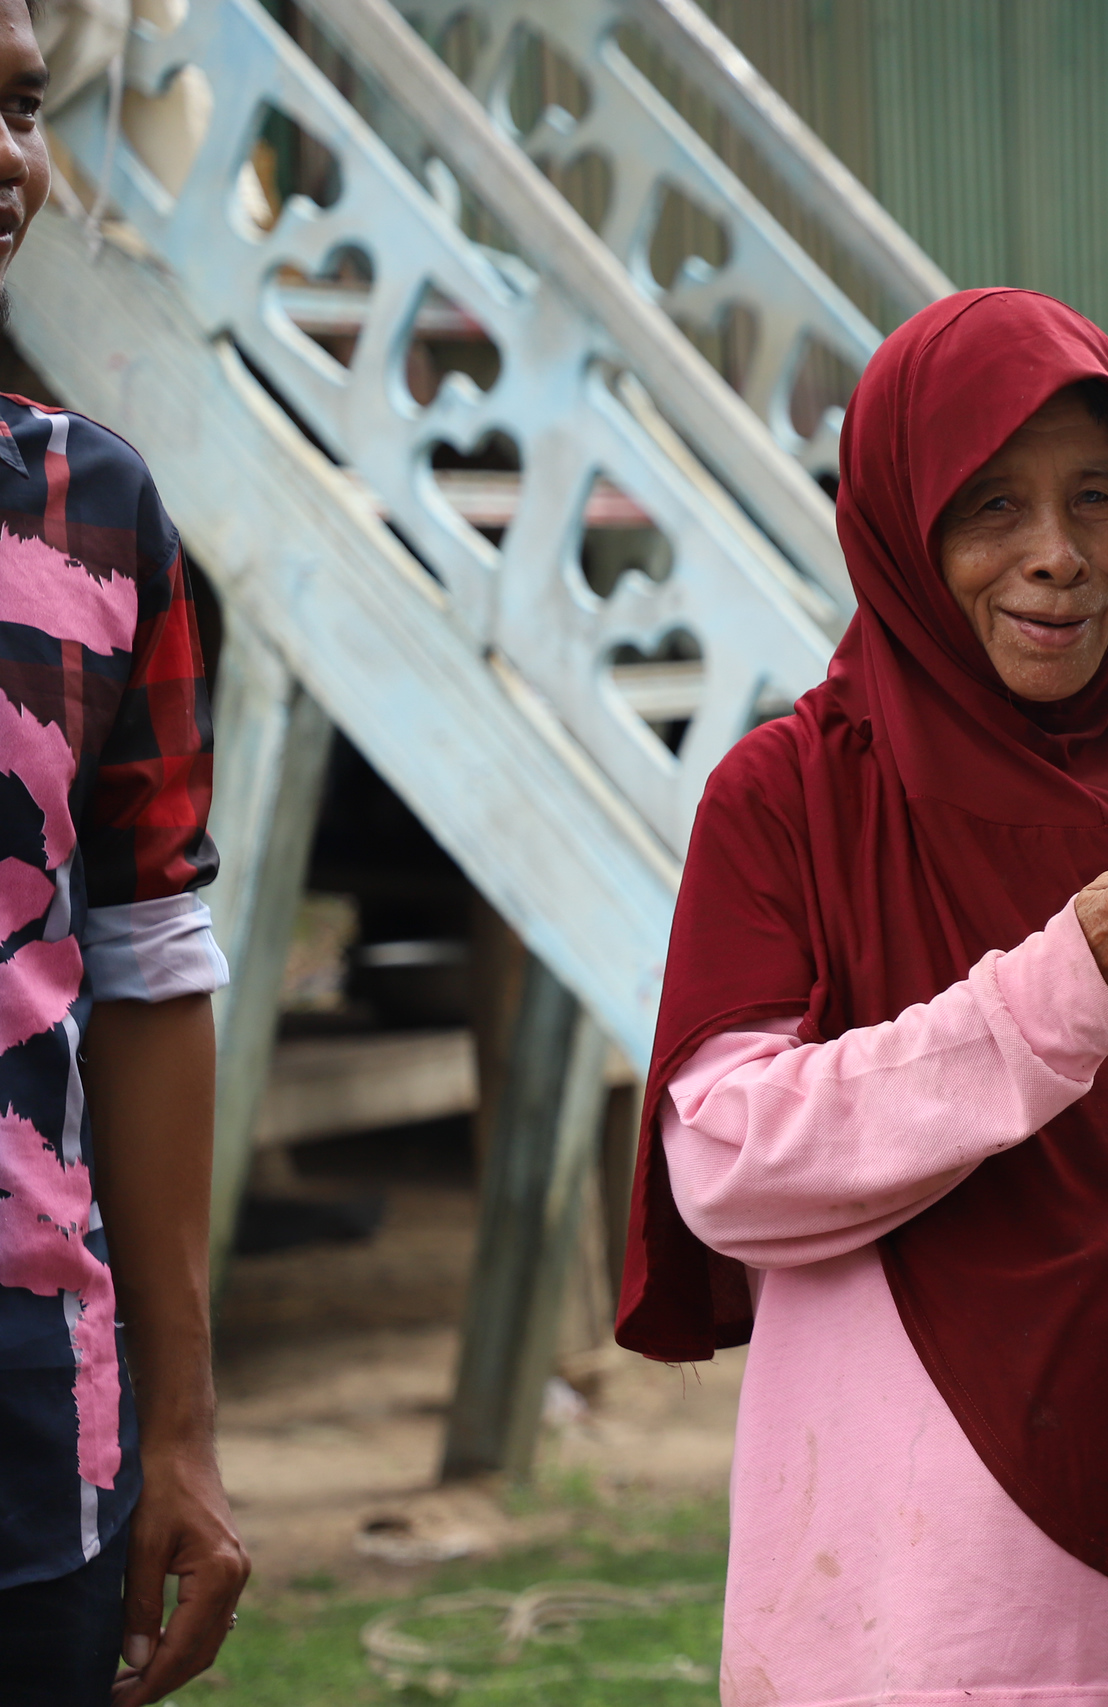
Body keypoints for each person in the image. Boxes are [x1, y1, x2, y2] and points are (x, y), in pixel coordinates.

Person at [617, 288, 1108, 1705]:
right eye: (991, 505)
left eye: (1096, 499)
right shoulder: (794, 797)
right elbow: (724, 1167)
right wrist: (1062, 996)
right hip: (918, 1611)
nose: (1057, 558)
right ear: (900, 523)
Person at [0, 5, 250, 1705]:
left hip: (32, 1436)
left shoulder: (95, 519)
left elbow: (154, 984)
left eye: (20, 106)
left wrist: (181, 1432)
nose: (8, 160)